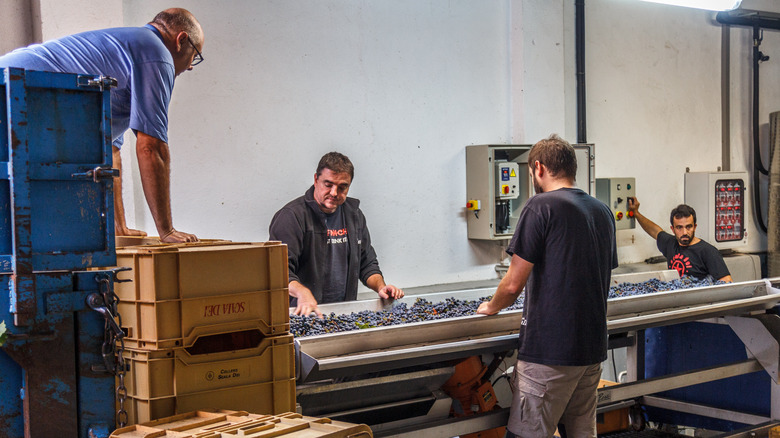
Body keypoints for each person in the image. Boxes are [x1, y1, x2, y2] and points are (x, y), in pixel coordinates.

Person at [0, 8, 203, 243]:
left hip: (15, 85)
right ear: (182, 40)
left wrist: (120, 227)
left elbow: (109, 152)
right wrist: (166, 231)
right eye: (195, 56)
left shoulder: (126, 51)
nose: (190, 67)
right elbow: (151, 146)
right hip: (13, 86)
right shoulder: (156, 54)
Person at [476, 134, 618, 438]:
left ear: (538, 168)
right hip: (591, 350)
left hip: (551, 353)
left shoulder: (540, 206)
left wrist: (490, 306)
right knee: (580, 433)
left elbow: (513, 284)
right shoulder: (602, 211)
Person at [269, 152, 403, 318]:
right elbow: (278, 272)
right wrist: (302, 292)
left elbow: (366, 263)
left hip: (342, 315)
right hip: (301, 316)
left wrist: (381, 287)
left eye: (342, 187)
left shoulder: (354, 215)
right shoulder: (291, 217)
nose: (334, 192)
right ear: (316, 179)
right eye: (328, 184)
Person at [627, 198, 732, 282]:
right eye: (679, 227)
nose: (685, 232)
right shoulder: (670, 244)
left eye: (688, 227)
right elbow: (654, 231)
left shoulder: (708, 251)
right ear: (672, 229)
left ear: (695, 227)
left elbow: (727, 282)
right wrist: (636, 213)